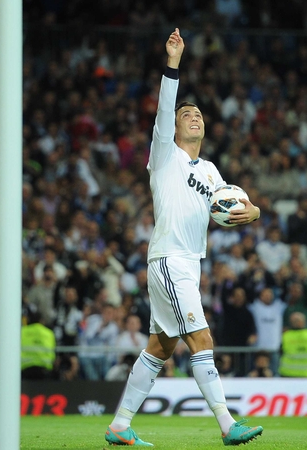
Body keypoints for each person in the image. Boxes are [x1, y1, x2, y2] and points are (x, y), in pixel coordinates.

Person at [105, 29, 263, 448]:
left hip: (190, 262)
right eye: (185, 114)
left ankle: (120, 425)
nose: (193, 116)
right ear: (172, 127)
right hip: (169, 259)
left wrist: (256, 211)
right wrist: (172, 63)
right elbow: (165, 107)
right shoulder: (163, 155)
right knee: (202, 338)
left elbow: (237, 203)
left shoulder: (211, 171)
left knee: (161, 345)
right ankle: (228, 425)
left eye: (198, 114)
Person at [279, 312, 307, 378]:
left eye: (296, 320)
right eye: (293, 321)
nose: (295, 322)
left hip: (305, 373)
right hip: (289, 373)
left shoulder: (286, 335)